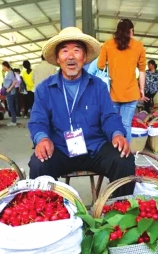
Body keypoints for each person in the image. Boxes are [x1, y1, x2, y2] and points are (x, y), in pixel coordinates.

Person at [28, 27, 135, 197]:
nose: (70, 56)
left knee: (124, 159)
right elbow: (38, 120)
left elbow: (109, 115)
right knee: (38, 163)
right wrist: (42, 138)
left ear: (84, 57)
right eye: (64, 51)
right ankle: (46, 216)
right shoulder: (44, 89)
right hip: (61, 148)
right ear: (58, 58)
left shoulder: (98, 86)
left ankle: (119, 211)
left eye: (76, 50)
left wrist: (116, 134)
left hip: (95, 147)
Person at [98, 18, 146, 143]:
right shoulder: (139, 46)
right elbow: (142, 70)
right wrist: (142, 89)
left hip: (112, 94)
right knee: (126, 125)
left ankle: (113, 155)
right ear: (131, 31)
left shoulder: (108, 44)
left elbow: (100, 65)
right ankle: (126, 157)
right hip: (131, 93)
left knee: (112, 125)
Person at [1, 61, 18, 126]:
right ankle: (13, 121)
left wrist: (9, 89)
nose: (2, 68)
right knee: (10, 106)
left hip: (10, 92)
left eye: (3, 66)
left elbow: (14, 81)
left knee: (11, 106)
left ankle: (14, 121)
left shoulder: (10, 72)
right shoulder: (9, 72)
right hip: (9, 92)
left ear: (5, 66)